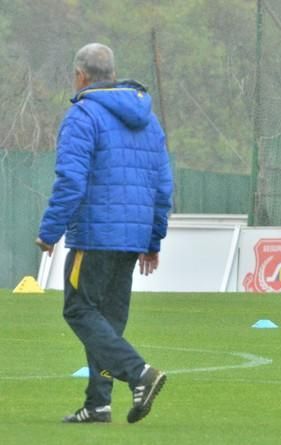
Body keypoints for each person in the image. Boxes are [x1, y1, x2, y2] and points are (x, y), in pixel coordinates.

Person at [35, 43, 173, 423]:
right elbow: (163, 185)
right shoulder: (150, 120)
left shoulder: (82, 115)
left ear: (80, 76)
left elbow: (71, 180)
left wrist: (49, 231)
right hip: (132, 238)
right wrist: (153, 239)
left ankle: (139, 373)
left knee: (79, 309)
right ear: (113, 73)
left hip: (95, 235)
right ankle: (98, 404)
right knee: (107, 322)